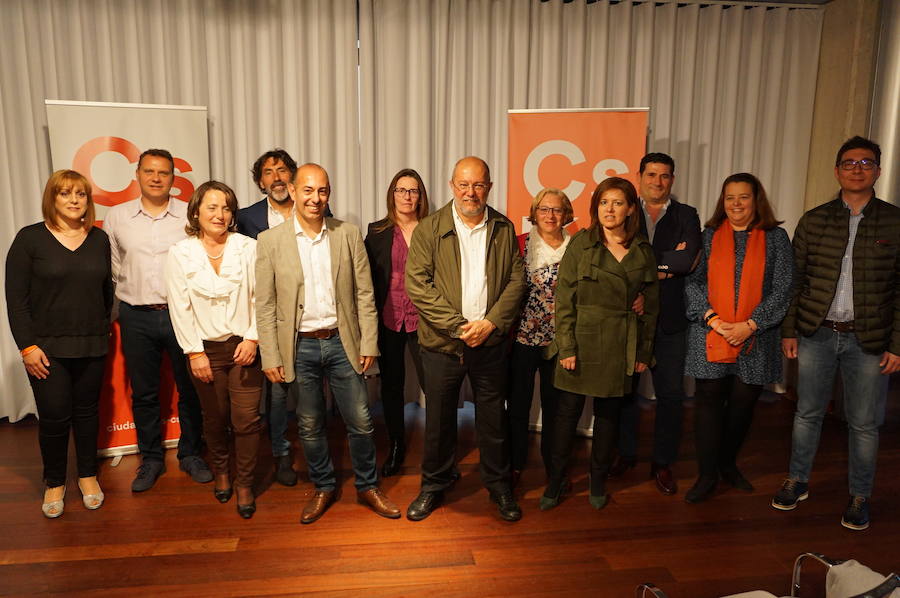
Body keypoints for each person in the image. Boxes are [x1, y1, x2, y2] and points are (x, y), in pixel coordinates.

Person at [255, 163, 400, 524]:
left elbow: (365, 293)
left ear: (329, 193)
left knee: (362, 421)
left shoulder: (347, 234)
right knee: (309, 425)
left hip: (342, 343)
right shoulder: (270, 241)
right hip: (298, 347)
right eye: (307, 190)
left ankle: (367, 486)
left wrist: (369, 343)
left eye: (322, 191)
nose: (315, 198)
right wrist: (270, 354)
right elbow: (266, 304)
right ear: (292, 191)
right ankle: (323, 486)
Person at [774, 136, 899, 531]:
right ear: (837, 171)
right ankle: (797, 480)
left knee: (864, 422)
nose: (857, 169)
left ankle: (860, 495)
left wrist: (898, 344)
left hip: (869, 339)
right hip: (816, 333)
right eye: (849, 163)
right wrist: (790, 330)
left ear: (877, 170)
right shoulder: (814, 219)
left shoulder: (895, 222)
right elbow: (795, 282)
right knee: (807, 413)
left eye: (866, 162)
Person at [404, 157, 525, 522]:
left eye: (478, 185)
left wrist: (490, 324)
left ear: (488, 186)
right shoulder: (429, 229)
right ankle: (433, 486)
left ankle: (499, 486)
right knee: (439, 421)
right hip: (443, 346)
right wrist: (459, 327)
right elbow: (417, 286)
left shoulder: (504, 227)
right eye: (463, 185)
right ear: (451, 185)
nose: (470, 192)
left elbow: (516, 281)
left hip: (489, 345)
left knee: (493, 420)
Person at [544, 176, 659, 511]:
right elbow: (564, 299)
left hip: (620, 345)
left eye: (618, 203)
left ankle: (597, 479)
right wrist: (566, 347)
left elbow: (651, 306)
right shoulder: (581, 244)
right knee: (566, 418)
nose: (610, 210)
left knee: (608, 420)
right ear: (596, 207)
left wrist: (643, 353)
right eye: (604, 202)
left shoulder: (642, 251)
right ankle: (556, 480)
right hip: (580, 342)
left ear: (630, 209)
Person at [5, 170, 113, 517]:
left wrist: (101, 331)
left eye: (80, 194)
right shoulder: (29, 239)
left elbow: (105, 292)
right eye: (65, 193)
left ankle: (86, 475)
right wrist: (27, 347)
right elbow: (16, 299)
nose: (73, 200)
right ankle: (54, 481)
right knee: (53, 418)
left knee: (86, 414)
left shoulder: (99, 240)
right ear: (52, 198)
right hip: (46, 350)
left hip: (92, 344)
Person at [103, 149, 212, 491]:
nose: (155, 178)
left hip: (182, 315)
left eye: (163, 172)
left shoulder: (188, 215)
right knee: (145, 392)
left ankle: (191, 453)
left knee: (190, 389)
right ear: (137, 174)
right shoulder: (117, 217)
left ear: (173, 178)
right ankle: (150, 459)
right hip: (136, 316)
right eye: (149, 171)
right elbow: (114, 267)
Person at [683, 173, 793, 504]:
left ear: (756, 199)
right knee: (708, 404)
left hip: (757, 337)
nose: (736, 204)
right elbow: (692, 282)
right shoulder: (708, 235)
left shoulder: (776, 238)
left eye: (743, 197)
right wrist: (713, 319)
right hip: (710, 333)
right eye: (730, 197)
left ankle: (727, 464)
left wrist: (751, 324)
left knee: (743, 406)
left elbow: (784, 285)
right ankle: (706, 475)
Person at [166, 181, 263, 519]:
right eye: (212, 207)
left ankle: (246, 483)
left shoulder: (248, 248)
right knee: (216, 417)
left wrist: (252, 338)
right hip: (204, 351)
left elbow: (260, 297)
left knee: (246, 420)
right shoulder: (181, 253)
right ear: (196, 212)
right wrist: (194, 353)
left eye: (225, 208)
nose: (220, 214)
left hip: (244, 347)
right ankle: (222, 470)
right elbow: (180, 306)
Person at [611, 153, 701, 496]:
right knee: (625, 394)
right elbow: (618, 261)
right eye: (651, 175)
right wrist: (665, 266)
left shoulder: (686, 215)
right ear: (640, 176)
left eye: (665, 176)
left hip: (671, 322)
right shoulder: (625, 211)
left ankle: (663, 462)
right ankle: (626, 454)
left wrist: (650, 266)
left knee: (671, 396)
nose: (658, 182)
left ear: (672, 180)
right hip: (630, 319)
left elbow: (686, 260)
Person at [237, 148, 301, 487]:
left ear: (292, 175)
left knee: (307, 393)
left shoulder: (312, 208)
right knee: (277, 393)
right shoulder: (246, 218)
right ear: (260, 181)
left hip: (308, 319)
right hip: (269, 318)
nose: (276, 177)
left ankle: (315, 451)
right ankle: (281, 454)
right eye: (268, 172)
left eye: (282, 170)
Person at [364, 168, 430, 477]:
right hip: (388, 318)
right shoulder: (376, 231)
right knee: (392, 387)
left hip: (425, 321)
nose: (407, 196)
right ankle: (395, 446)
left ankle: (439, 451)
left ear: (421, 196)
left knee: (435, 385)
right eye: (401, 190)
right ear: (392, 195)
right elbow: (366, 282)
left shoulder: (432, 229)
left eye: (413, 191)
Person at [506, 188, 573, 489]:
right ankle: (515, 464)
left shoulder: (577, 247)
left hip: (560, 342)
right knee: (518, 405)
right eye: (544, 209)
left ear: (566, 214)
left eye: (557, 210)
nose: (550, 215)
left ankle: (554, 468)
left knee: (555, 407)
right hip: (521, 339)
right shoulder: (520, 244)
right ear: (534, 213)